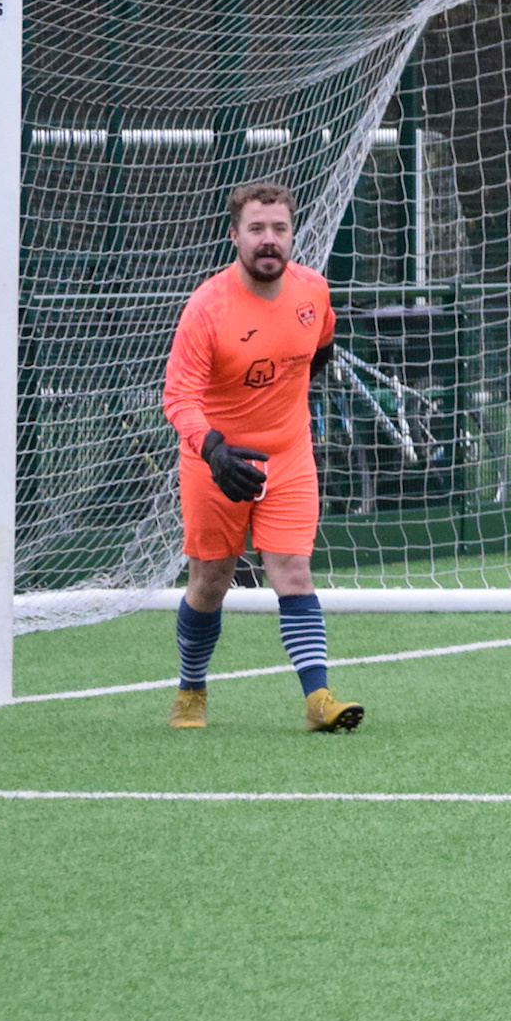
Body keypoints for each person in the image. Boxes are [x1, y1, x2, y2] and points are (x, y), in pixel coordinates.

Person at [161, 182, 364, 734]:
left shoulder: (314, 292)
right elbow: (177, 396)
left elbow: (320, 349)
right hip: (215, 460)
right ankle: (191, 689)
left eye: (279, 229)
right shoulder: (207, 307)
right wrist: (215, 449)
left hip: (289, 455)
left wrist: (282, 412)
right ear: (234, 236)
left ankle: (319, 699)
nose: (269, 241)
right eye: (257, 229)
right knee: (211, 581)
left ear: (293, 234)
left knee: (293, 572)